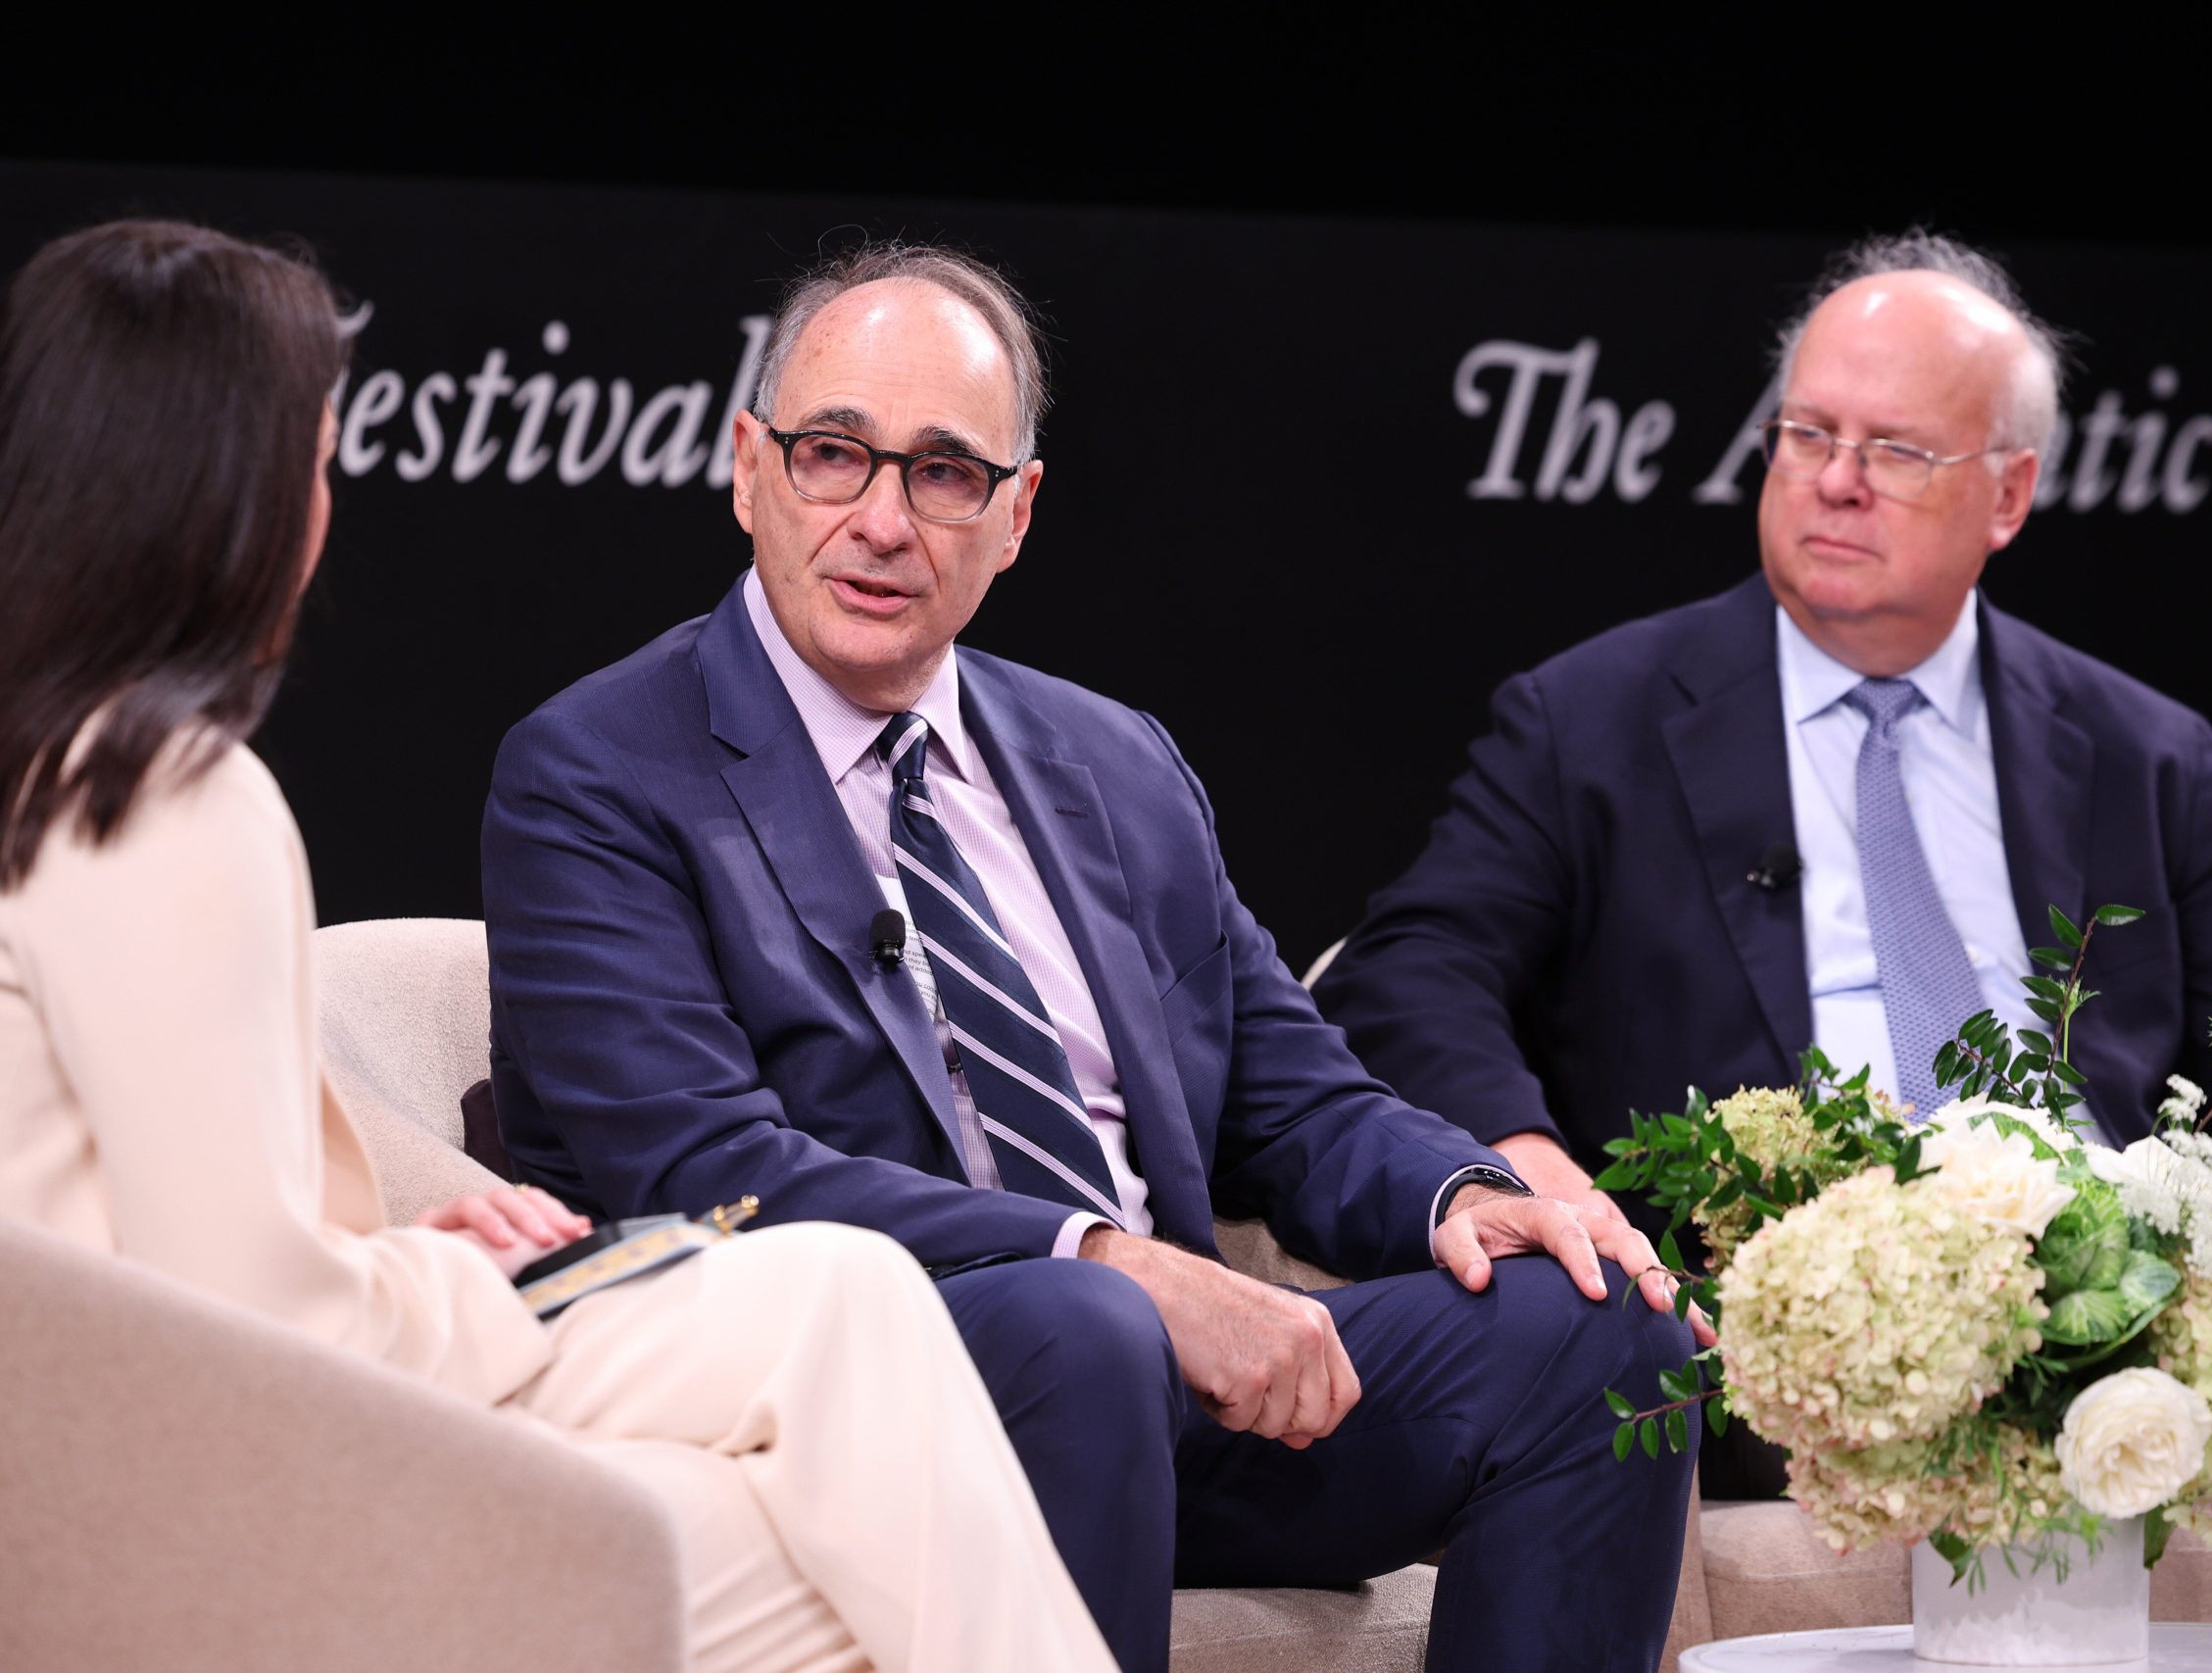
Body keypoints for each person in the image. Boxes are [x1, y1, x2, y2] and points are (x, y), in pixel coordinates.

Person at [479, 241, 1696, 1673]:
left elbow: (1295, 1100)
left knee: (1606, 1336)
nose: (882, 521)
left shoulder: (1114, 764)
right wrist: (1110, 1262)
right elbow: (706, 1172)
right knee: (1086, 1325)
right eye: (834, 456)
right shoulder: (598, 771)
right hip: (870, 1399)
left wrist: (1465, 1192)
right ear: (750, 468)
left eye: (945, 474)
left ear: (1017, 515)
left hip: (1174, 1395)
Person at [1310, 229, 2212, 1656]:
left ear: (2008, 493)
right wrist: (1531, 1162)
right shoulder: (1592, 720)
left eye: (1894, 449)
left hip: (2121, 1306)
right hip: (1783, 1328)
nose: (1834, 478)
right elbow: (1411, 965)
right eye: (1807, 433)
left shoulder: (2140, 750)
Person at [0, 220, 1117, 1673]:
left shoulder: (58, 770)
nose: (321, 515)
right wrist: (461, 1286)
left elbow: (140, 1227)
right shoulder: (156, 793)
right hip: (185, 1503)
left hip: (116, 1432)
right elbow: (248, 1326)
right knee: (843, 1476)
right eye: (316, 464)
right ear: (231, 500)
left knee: (846, 1335)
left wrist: (377, 1246)